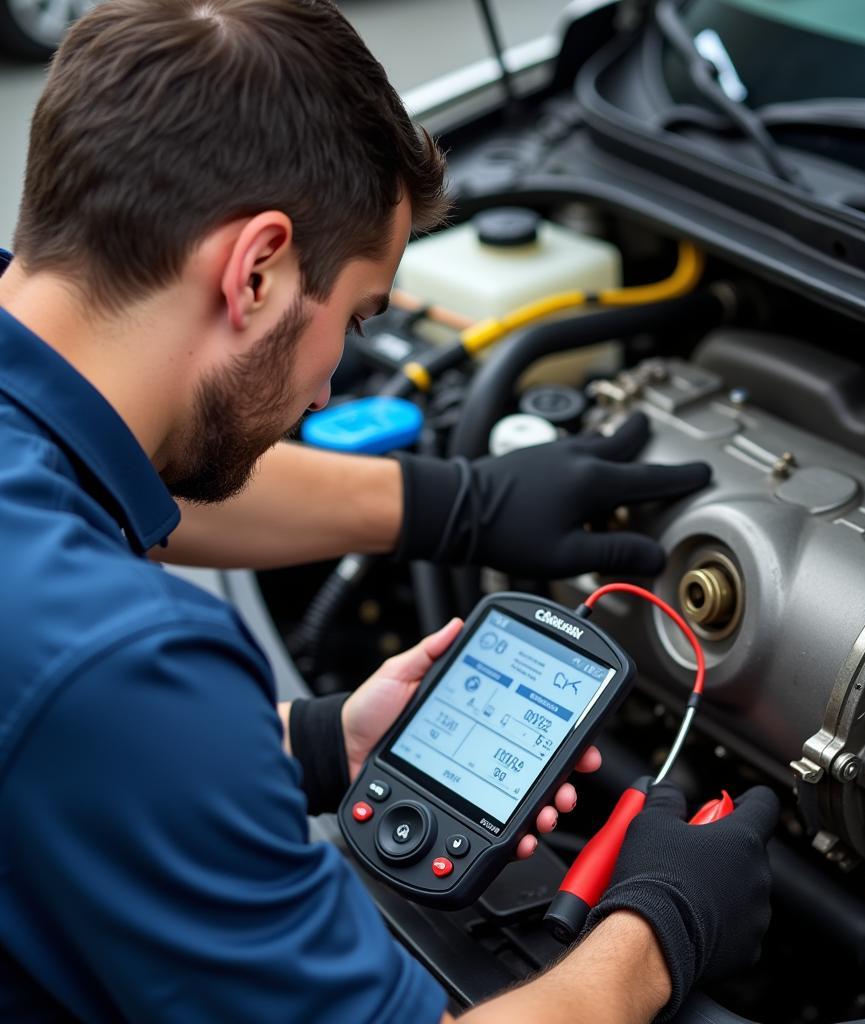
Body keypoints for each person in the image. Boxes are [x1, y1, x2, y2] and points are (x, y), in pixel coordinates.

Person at [0, 2, 778, 1022]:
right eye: (359, 315)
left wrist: (320, 737)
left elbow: (84, 504)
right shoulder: (124, 658)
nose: (328, 386)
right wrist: (660, 926)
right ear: (258, 268)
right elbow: (104, 702)